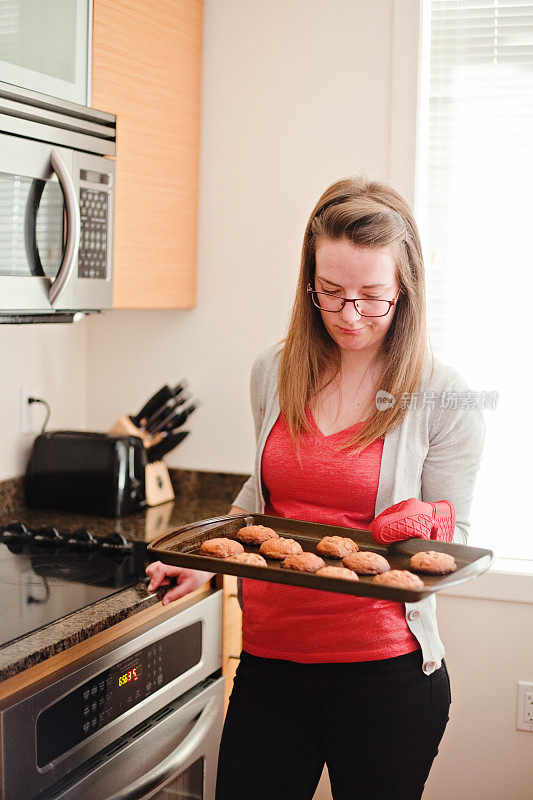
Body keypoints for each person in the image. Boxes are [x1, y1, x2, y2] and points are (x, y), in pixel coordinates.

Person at [146, 176, 485, 800]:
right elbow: (262, 500)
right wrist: (203, 564)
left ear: (404, 287)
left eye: (371, 296)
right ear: (309, 284)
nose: (350, 315)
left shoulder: (444, 396)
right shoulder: (273, 372)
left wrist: (424, 521)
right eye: (330, 293)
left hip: (384, 676)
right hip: (270, 662)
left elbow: (453, 538)